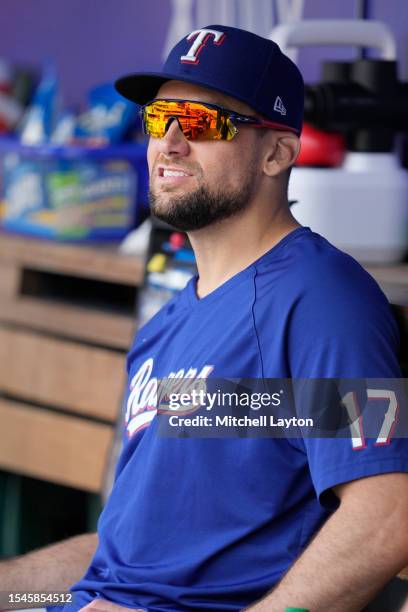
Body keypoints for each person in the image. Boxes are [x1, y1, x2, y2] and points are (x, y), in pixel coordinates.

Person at [1, 24, 408, 612]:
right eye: (159, 118)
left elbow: (387, 514)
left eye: (199, 122)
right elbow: (128, 561)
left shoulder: (319, 301)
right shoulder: (166, 324)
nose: (168, 142)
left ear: (277, 153)